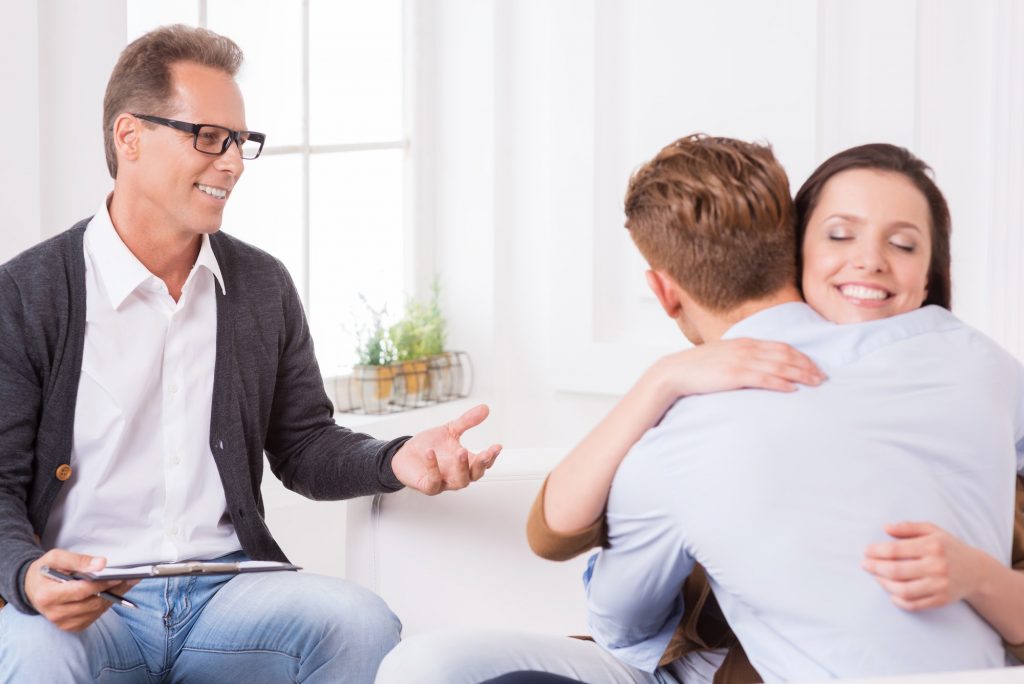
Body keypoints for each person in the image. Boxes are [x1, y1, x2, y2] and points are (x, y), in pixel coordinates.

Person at [375, 137, 1024, 683]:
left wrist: (980, 578)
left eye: (904, 245)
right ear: (794, 250)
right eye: (840, 234)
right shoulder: (711, 401)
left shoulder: (977, 389)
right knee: (434, 666)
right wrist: (659, 383)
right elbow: (558, 531)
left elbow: (588, 576)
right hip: (710, 660)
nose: (869, 263)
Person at [0, 25, 501, 683]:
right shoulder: (28, 294)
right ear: (130, 138)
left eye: (239, 141)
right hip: (92, 607)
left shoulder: (260, 285)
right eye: (207, 137)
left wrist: (393, 458)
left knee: (359, 623)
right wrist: (26, 572)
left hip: (225, 596)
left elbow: (303, 445)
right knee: (35, 654)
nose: (232, 162)